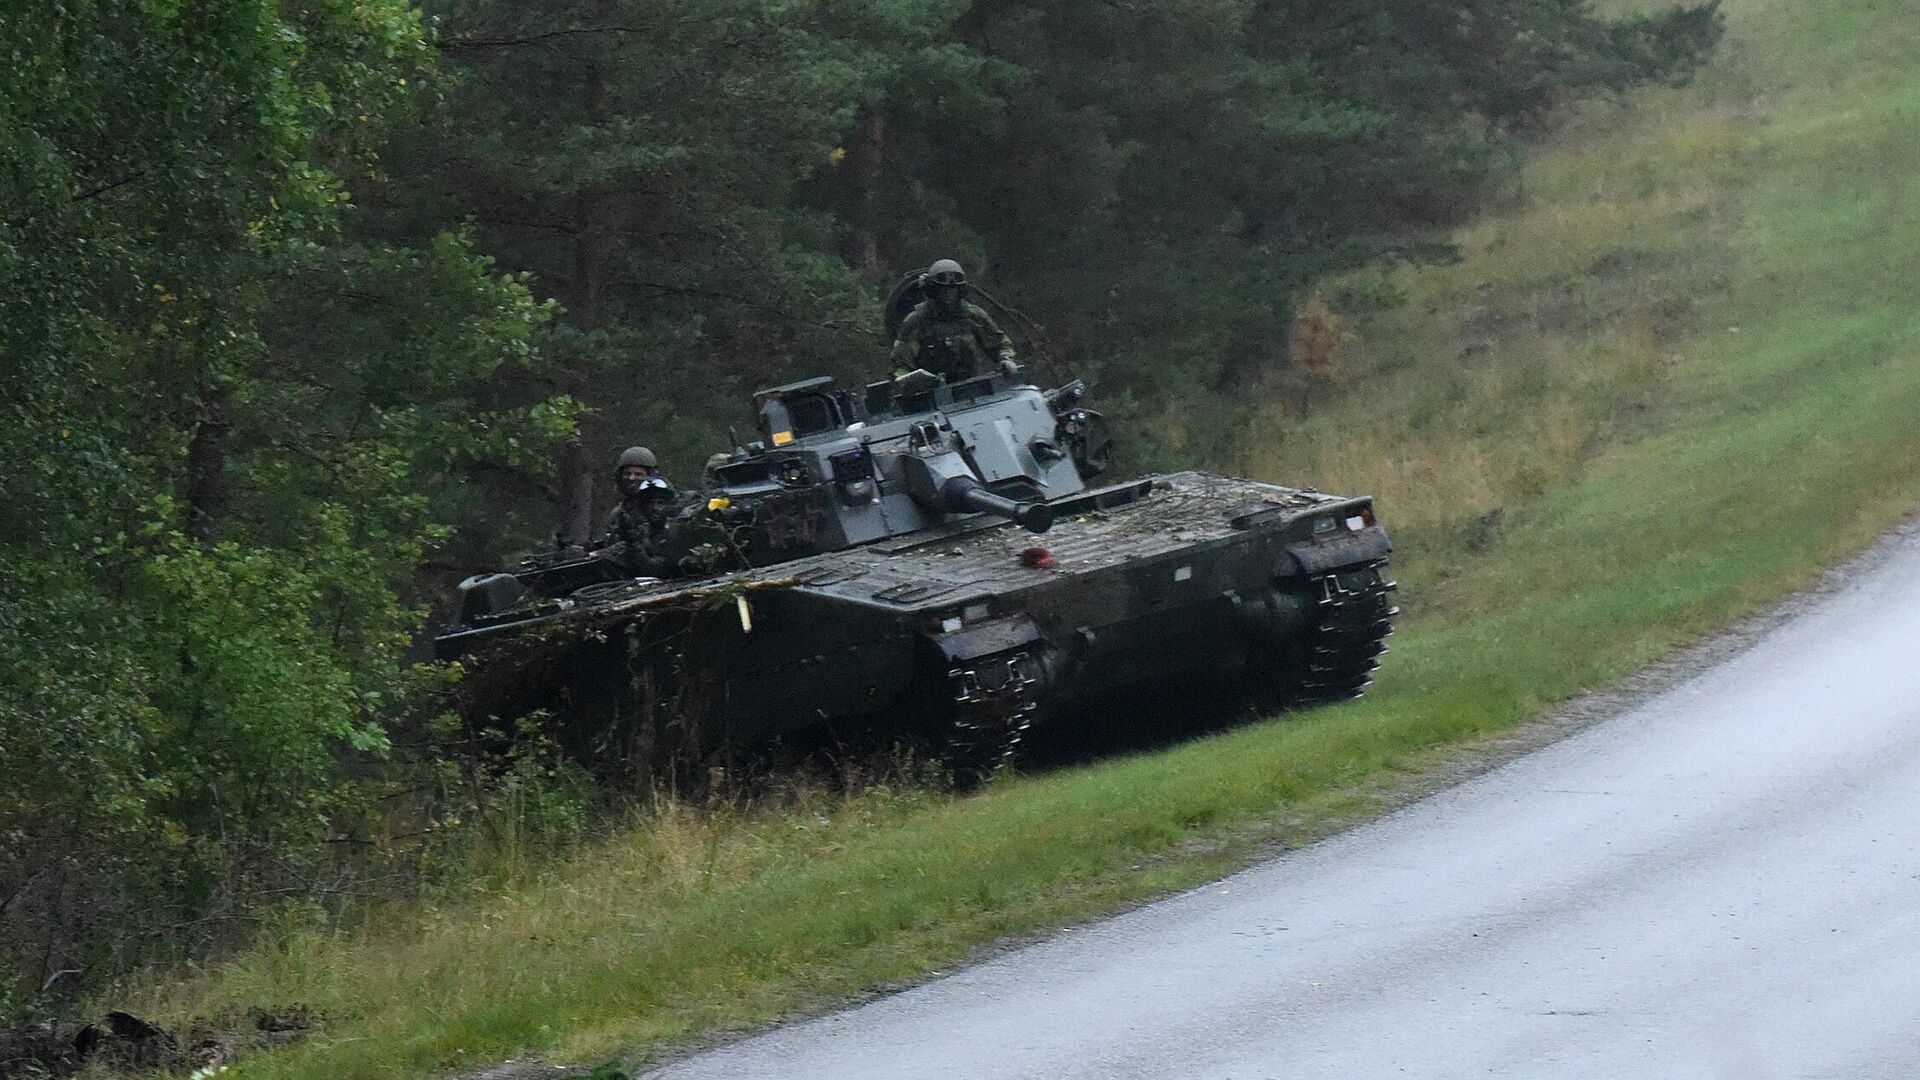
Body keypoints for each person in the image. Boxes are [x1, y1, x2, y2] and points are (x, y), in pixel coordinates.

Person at [890, 259, 1020, 382]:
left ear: (960, 290)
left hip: (973, 388)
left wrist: (1006, 359)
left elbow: (1000, 343)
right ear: (933, 290)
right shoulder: (916, 321)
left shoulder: (973, 315)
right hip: (931, 396)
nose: (949, 296)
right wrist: (906, 381)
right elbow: (901, 363)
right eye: (943, 291)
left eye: (953, 291)